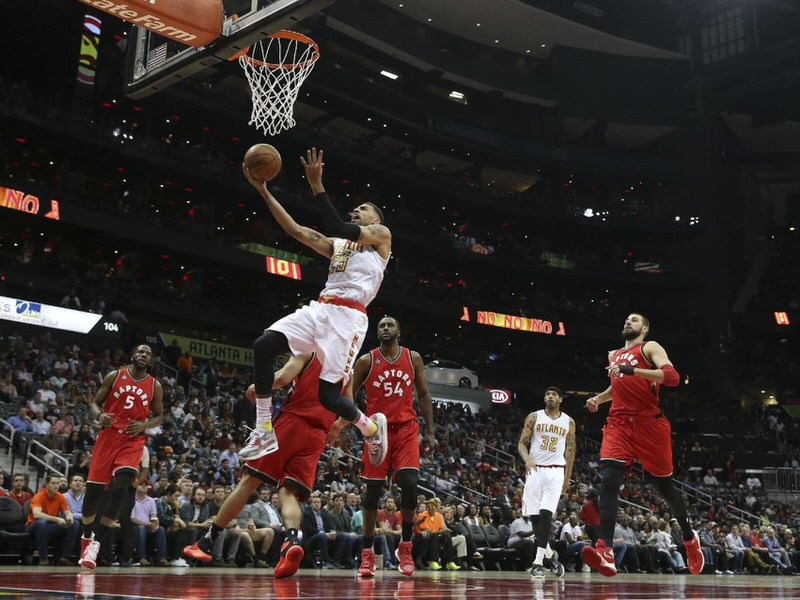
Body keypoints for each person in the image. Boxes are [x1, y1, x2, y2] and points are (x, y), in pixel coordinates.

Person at [238, 148, 389, 464]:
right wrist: (263, 190)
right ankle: (264, 428)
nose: (355, 211)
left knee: (328, 397)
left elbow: (337, 224)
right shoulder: (339, 246)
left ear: (375, 220)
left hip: (349, 318)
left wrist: (316, 183)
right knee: (264, 345)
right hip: (321, 308)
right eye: (356, 208)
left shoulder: (381, 238)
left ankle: (371, 427)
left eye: (363, 209)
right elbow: (294, 230)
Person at [185, 352, 344, 579]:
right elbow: (347, 404)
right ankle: (291, 541)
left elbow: (282, 377)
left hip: (291, 423)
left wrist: (259, 385)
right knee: (288, 492)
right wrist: (337, 426)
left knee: (248, 482)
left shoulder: (310, 353)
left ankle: (206, 542)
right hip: (317, 435)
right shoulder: (344, 365)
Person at [583, 313, 704, 577]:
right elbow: (617, 386)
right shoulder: (613, 355)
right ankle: (605, 551)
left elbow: (671, 378)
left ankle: (689, 539)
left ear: (645, 328)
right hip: (618, 423)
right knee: (608, 482)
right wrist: (597, 399)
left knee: (666, 488)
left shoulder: (649, 347)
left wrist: (633, 370)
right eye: (626, 319)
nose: (628, 322)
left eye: (634, 320)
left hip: (650, 425)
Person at [329, 316, 435, 577]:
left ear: (399, 331)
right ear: (377, 334)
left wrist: (430, 431)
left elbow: (422, 394)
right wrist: (348, 421)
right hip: (377, 430)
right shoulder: (367, 360)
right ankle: (366, 554)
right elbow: (348, 392)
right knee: (372, 494)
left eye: (390, 325)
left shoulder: (413, 358)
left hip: (407, 430)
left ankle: (406, 546)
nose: (385, 328)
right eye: (381, 326)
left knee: (410, 485)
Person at [78, 344, 165, 569]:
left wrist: (144, 425)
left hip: (131, 440)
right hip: (107, 438)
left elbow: (159, 416)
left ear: (151, 360)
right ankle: (87, 538)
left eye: (148, 353)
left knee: (121, 486)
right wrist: (100, 415)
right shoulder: (114, 376)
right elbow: (95, 404)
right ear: (133, 355)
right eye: (140, 352)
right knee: (91, 502)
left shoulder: (155, 386)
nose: (143, 355)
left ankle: (96, 544)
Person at [517, 386, 573, 579]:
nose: (550, 396)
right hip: (535, 469)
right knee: (534, 519)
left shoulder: (569, 422)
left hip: (556, 471)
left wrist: (567, 478)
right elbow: (521, 443)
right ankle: (551, 555)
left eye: (554, 394)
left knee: (546, 515)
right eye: (547, 394)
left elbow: (571, 451)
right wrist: (527, 459)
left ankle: (538, 561)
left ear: (560, 400)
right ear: (544, 399)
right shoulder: (534, 417)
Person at [26, 473, 80, 566]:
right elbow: (37, 514)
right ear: (47, 485)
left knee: (75, 524)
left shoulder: (60, 496)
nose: (56, 486)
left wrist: (69, 519)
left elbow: (67, 512)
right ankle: (43, 558)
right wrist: (58, 519)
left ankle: (64, 557)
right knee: (42, 523)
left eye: (57, 483)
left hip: (50, 526)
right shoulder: (39, 496)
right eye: (53, 483)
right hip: (33, 526)